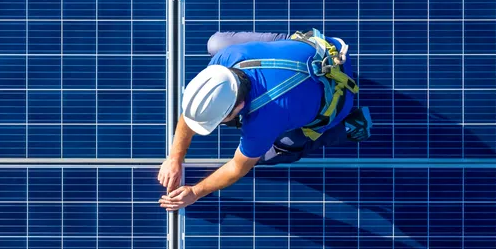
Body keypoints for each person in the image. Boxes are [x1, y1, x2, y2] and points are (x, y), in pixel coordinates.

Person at [159, 30, 373, 211]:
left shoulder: (262, 123)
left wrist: (196, 192)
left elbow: (237, 168)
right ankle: (288, 46)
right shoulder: (224, 60)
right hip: (324, 47)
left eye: (221, 120)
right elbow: (194, 111)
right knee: (215, 42)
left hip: (339, 96)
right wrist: (174, 158)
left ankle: (348, 127)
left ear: (240, 107)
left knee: (272, 152)